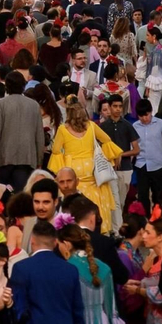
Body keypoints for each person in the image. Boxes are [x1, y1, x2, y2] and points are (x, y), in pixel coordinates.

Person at [47, 96, 124, 232]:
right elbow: (107, 140)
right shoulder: (92, 127)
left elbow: (56, 151)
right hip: (94, 173)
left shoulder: (63, 130)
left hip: (73, 173)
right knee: (98, 203)